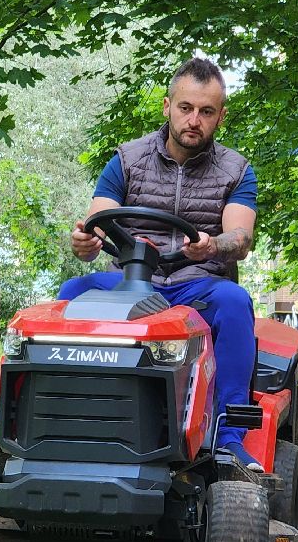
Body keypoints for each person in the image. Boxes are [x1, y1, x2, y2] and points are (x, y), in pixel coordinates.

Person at [60, 57, 261, 471]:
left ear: (220, 116)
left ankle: (226, 438)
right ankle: (70, 419)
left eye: (206, 112)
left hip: (196, 284)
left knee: (235, 302)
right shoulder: (127, 159)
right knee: (70, 295)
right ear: (167, 106)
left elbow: (240, 239)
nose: (194, 120)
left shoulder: (237, 170)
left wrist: (213, 245)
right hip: (132, 282)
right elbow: (98, 221)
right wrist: (86, 242)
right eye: (186, 108)